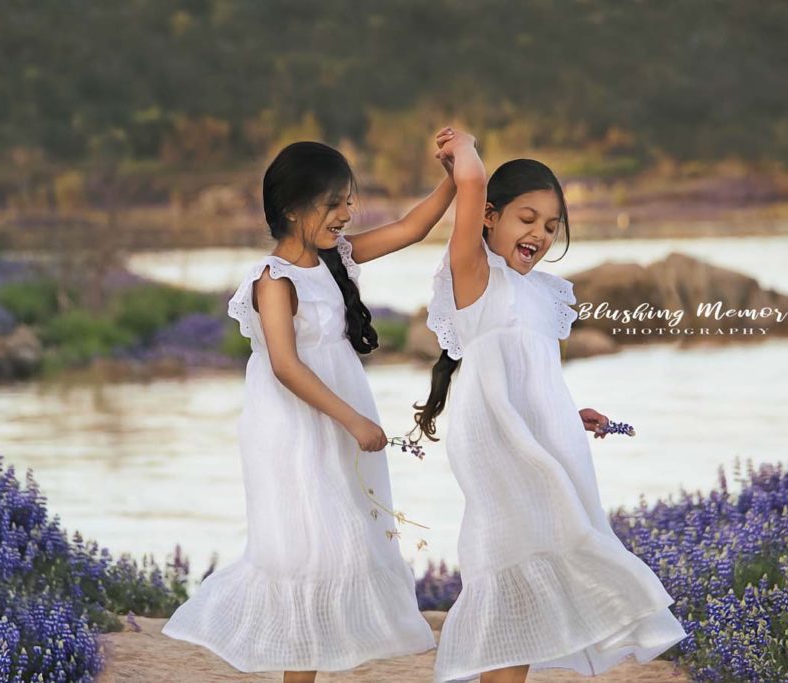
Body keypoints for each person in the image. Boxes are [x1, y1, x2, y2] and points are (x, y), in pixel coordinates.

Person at [162, 136, 457, 682]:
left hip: (338, 419)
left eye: (348, 201)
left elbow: (411, 228)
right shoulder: (274, 280)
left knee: (341, 549)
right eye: (334, 203)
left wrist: (456, 179)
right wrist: (353, 419)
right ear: (293, 209)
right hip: (294, 428)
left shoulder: (333, 259)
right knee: (305, 554)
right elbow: (285, 365)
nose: (348, 214)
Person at [413, 129, 689, 682]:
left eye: (551, 225)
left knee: (544, 554)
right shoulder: (474, 276)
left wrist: (568, 414)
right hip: (496, 443)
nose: (539, 233)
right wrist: (462, 147)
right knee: (507, 559)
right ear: (488, 217)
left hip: (544, 440)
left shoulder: (546, 293)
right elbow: (469, 181)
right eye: (527, 217)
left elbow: (535, 378)